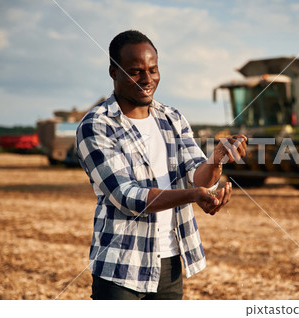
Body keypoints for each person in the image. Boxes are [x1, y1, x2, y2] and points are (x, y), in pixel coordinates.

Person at [76, 30, 247, 300]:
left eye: (153, 70)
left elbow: (198, 176)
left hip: (170, 264)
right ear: (113, 71)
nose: (147, 80)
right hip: (121, 267)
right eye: (136, 72)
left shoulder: (172, 118)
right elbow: (127, 197)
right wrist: (193, 196)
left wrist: (215, 161)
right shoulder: (97, 125)